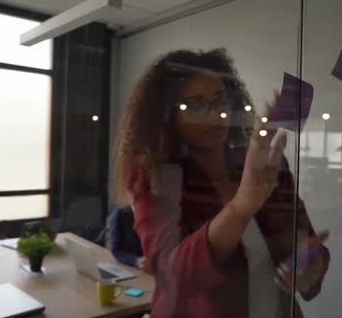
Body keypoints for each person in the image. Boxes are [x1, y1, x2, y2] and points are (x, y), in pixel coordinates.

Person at [114, 48, 329, 318]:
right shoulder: (156, 176)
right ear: (167, 116)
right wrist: (241, 206)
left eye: (220, 101)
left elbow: (305, 242)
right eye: (194, 105)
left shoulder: (261, 163)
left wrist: (311, 266)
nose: (215, 116)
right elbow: (173, 276)